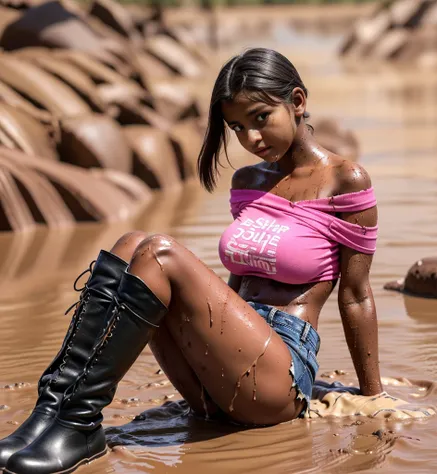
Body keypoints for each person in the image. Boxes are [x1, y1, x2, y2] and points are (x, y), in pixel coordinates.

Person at [0, 48, 383, 474]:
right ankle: (52, 411)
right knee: (131, 244)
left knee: (160, 252)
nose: (251, 139)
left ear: (297, 102)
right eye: (237, 127)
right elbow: (238, 285)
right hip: (225, 372)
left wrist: (374, 396)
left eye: (260, 118)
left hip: (279, 378)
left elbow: (355, 295)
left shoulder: (345, 180)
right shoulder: (248, 182)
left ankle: (78, 423)